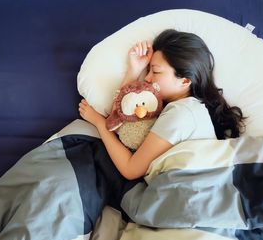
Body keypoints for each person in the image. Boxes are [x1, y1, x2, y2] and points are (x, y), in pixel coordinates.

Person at [78, 29, 246, 181]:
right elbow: (123, 114)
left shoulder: (181, 113)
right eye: (148, 71)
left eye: (155, 71)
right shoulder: (183, 109)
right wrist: (134, 70)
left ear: (185, 80)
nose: (147, 78)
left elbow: (130, 169)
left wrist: (99, 123)